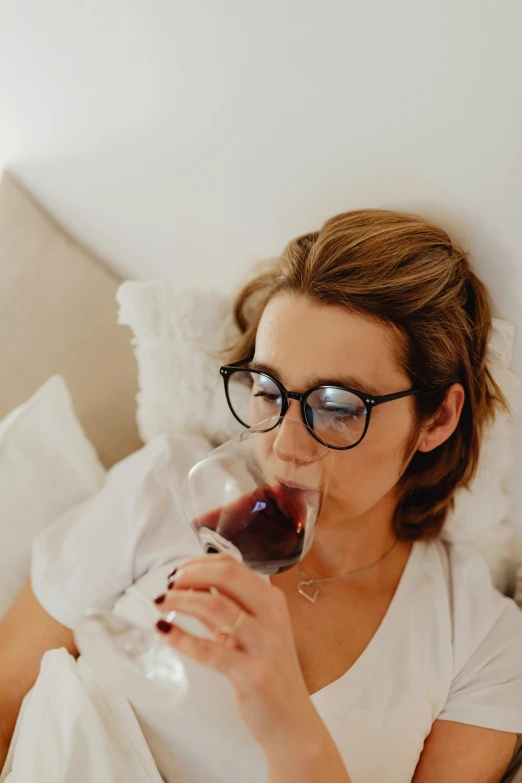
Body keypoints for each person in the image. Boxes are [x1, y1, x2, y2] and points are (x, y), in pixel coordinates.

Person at [1, 209, 522, 783]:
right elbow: (6, 697)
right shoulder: (172, 484)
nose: (285, 445)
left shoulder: (481, 644)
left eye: (339, 407)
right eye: (269, 390)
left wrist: (290, 725)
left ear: (438, 418)